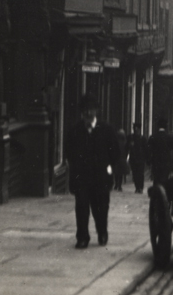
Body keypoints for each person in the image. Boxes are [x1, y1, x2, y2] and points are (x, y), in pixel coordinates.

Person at [65, 95, 121, 248]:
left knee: (101, 209)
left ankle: (102, 231)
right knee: (81, 207)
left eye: (92, 110)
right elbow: (69, 154)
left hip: (101, 178)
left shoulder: (107, 130)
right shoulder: (75, 131)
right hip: (82, 178)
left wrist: (110, 170)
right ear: (82, 113)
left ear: (96, 111)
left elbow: (115, 153)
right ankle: (82, 237)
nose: (89, 113)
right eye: (85, 110)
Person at [146, 118, 173, 188]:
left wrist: (149, 161)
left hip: (155, 162)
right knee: (164, 178)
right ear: (166, 127)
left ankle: (156, 192)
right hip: (166, 162)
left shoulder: (153, 137)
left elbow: (148, 150)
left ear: (158, 126)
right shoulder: (170, 137)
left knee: (156, 178)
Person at [126, 123, 147, 194]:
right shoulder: (130, 137)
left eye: (137, 129)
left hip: (141, 158)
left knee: (140, 173)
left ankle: (140, 187)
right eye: (135, 129)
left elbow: (146, 149)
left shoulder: (143, 138)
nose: (136, 130)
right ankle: (137, 187)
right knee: (135, 173)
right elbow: (127, 147)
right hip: (133, 158)